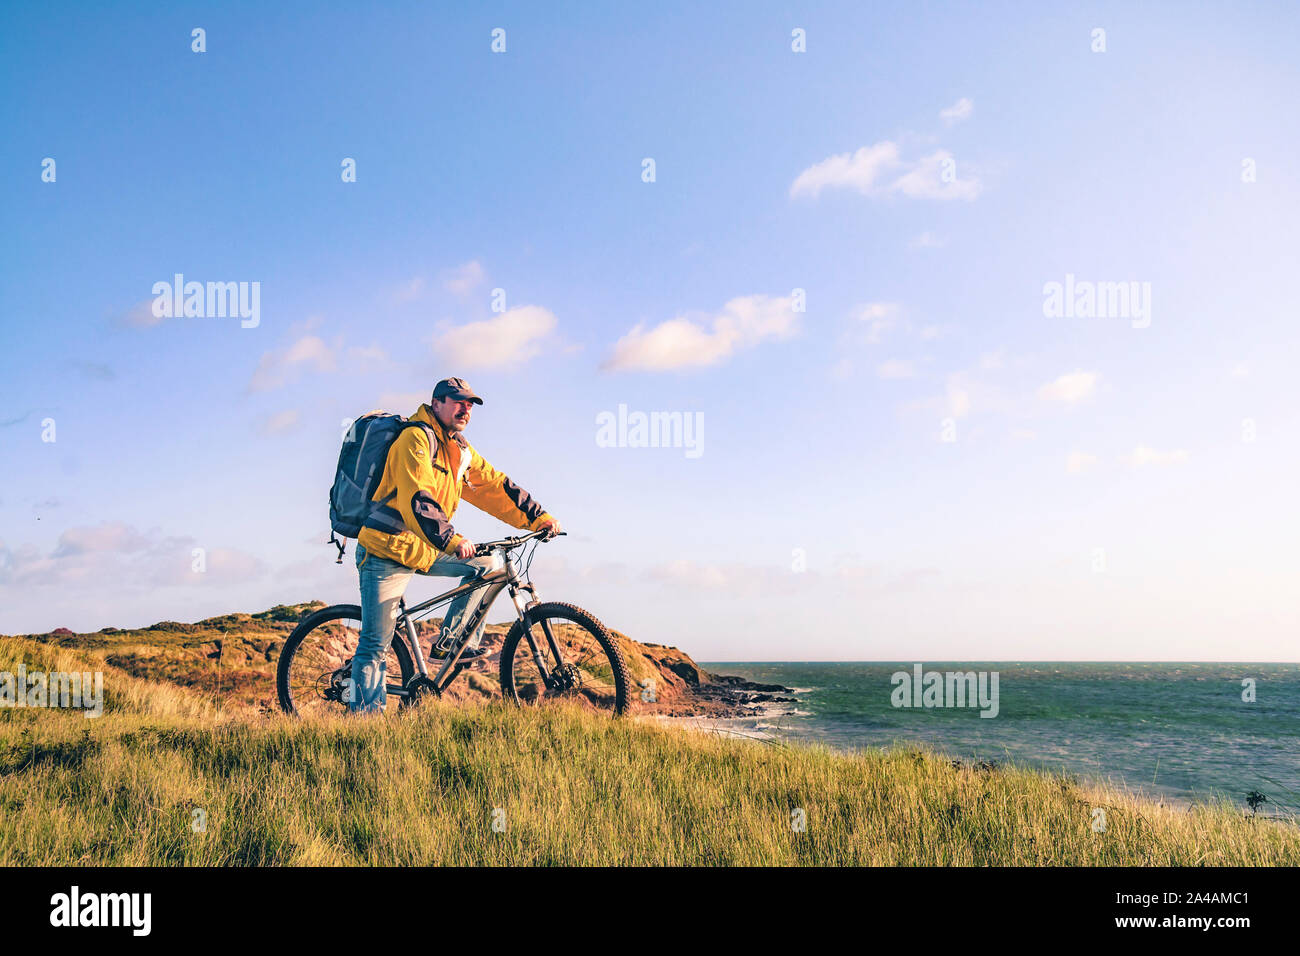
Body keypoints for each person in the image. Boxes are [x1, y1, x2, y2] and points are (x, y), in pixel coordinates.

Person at [348, 377, 560, 714]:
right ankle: (361, 725)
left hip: (425, 546)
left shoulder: (459, 450)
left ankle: (450, 642)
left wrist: (538, 518)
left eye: (470, 405)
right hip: (387, 549)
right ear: (437, 403)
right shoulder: (414, 439)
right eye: (458, 402)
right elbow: (418, 497)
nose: (466, 410)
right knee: (375, 645)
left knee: (490, 565)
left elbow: (494, 485)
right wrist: (451, 538)